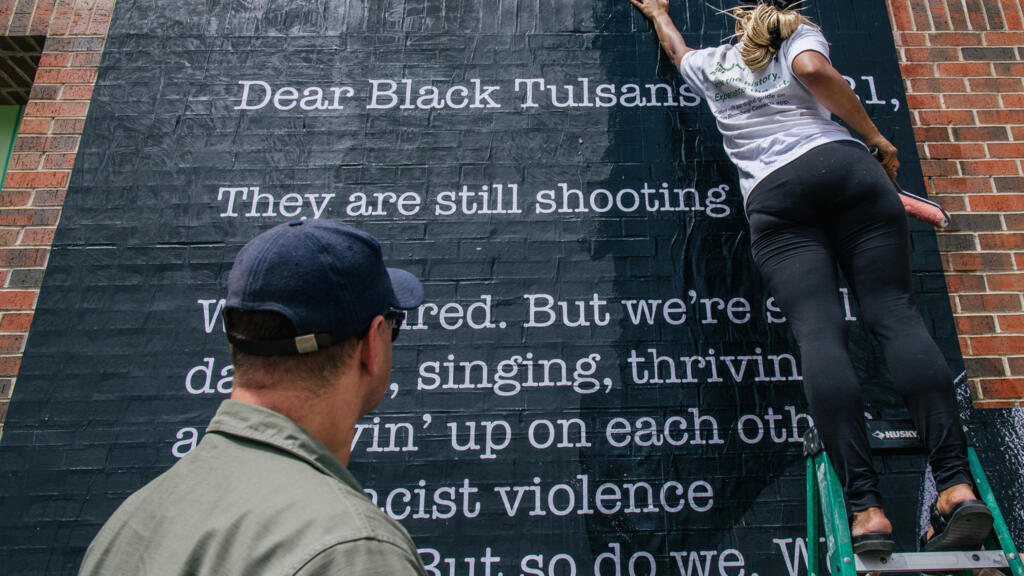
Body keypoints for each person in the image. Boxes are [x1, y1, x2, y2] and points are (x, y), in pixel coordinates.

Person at [629, 0, 992, 554]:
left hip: (776, 199)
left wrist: (659, 14)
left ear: (737, 21)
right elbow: (814, 71)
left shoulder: (711, 65)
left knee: (819, 335)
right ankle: (955, 487)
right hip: (845, 169)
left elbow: (677, 52)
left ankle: (867, 512)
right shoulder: (797, 36)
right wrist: (876, 139)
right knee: (894, 315)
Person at [79, 219, 428, 575]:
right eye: (392, 324)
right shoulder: (351, 551)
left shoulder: (129, 524)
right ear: (372, 344)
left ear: (234, 345)